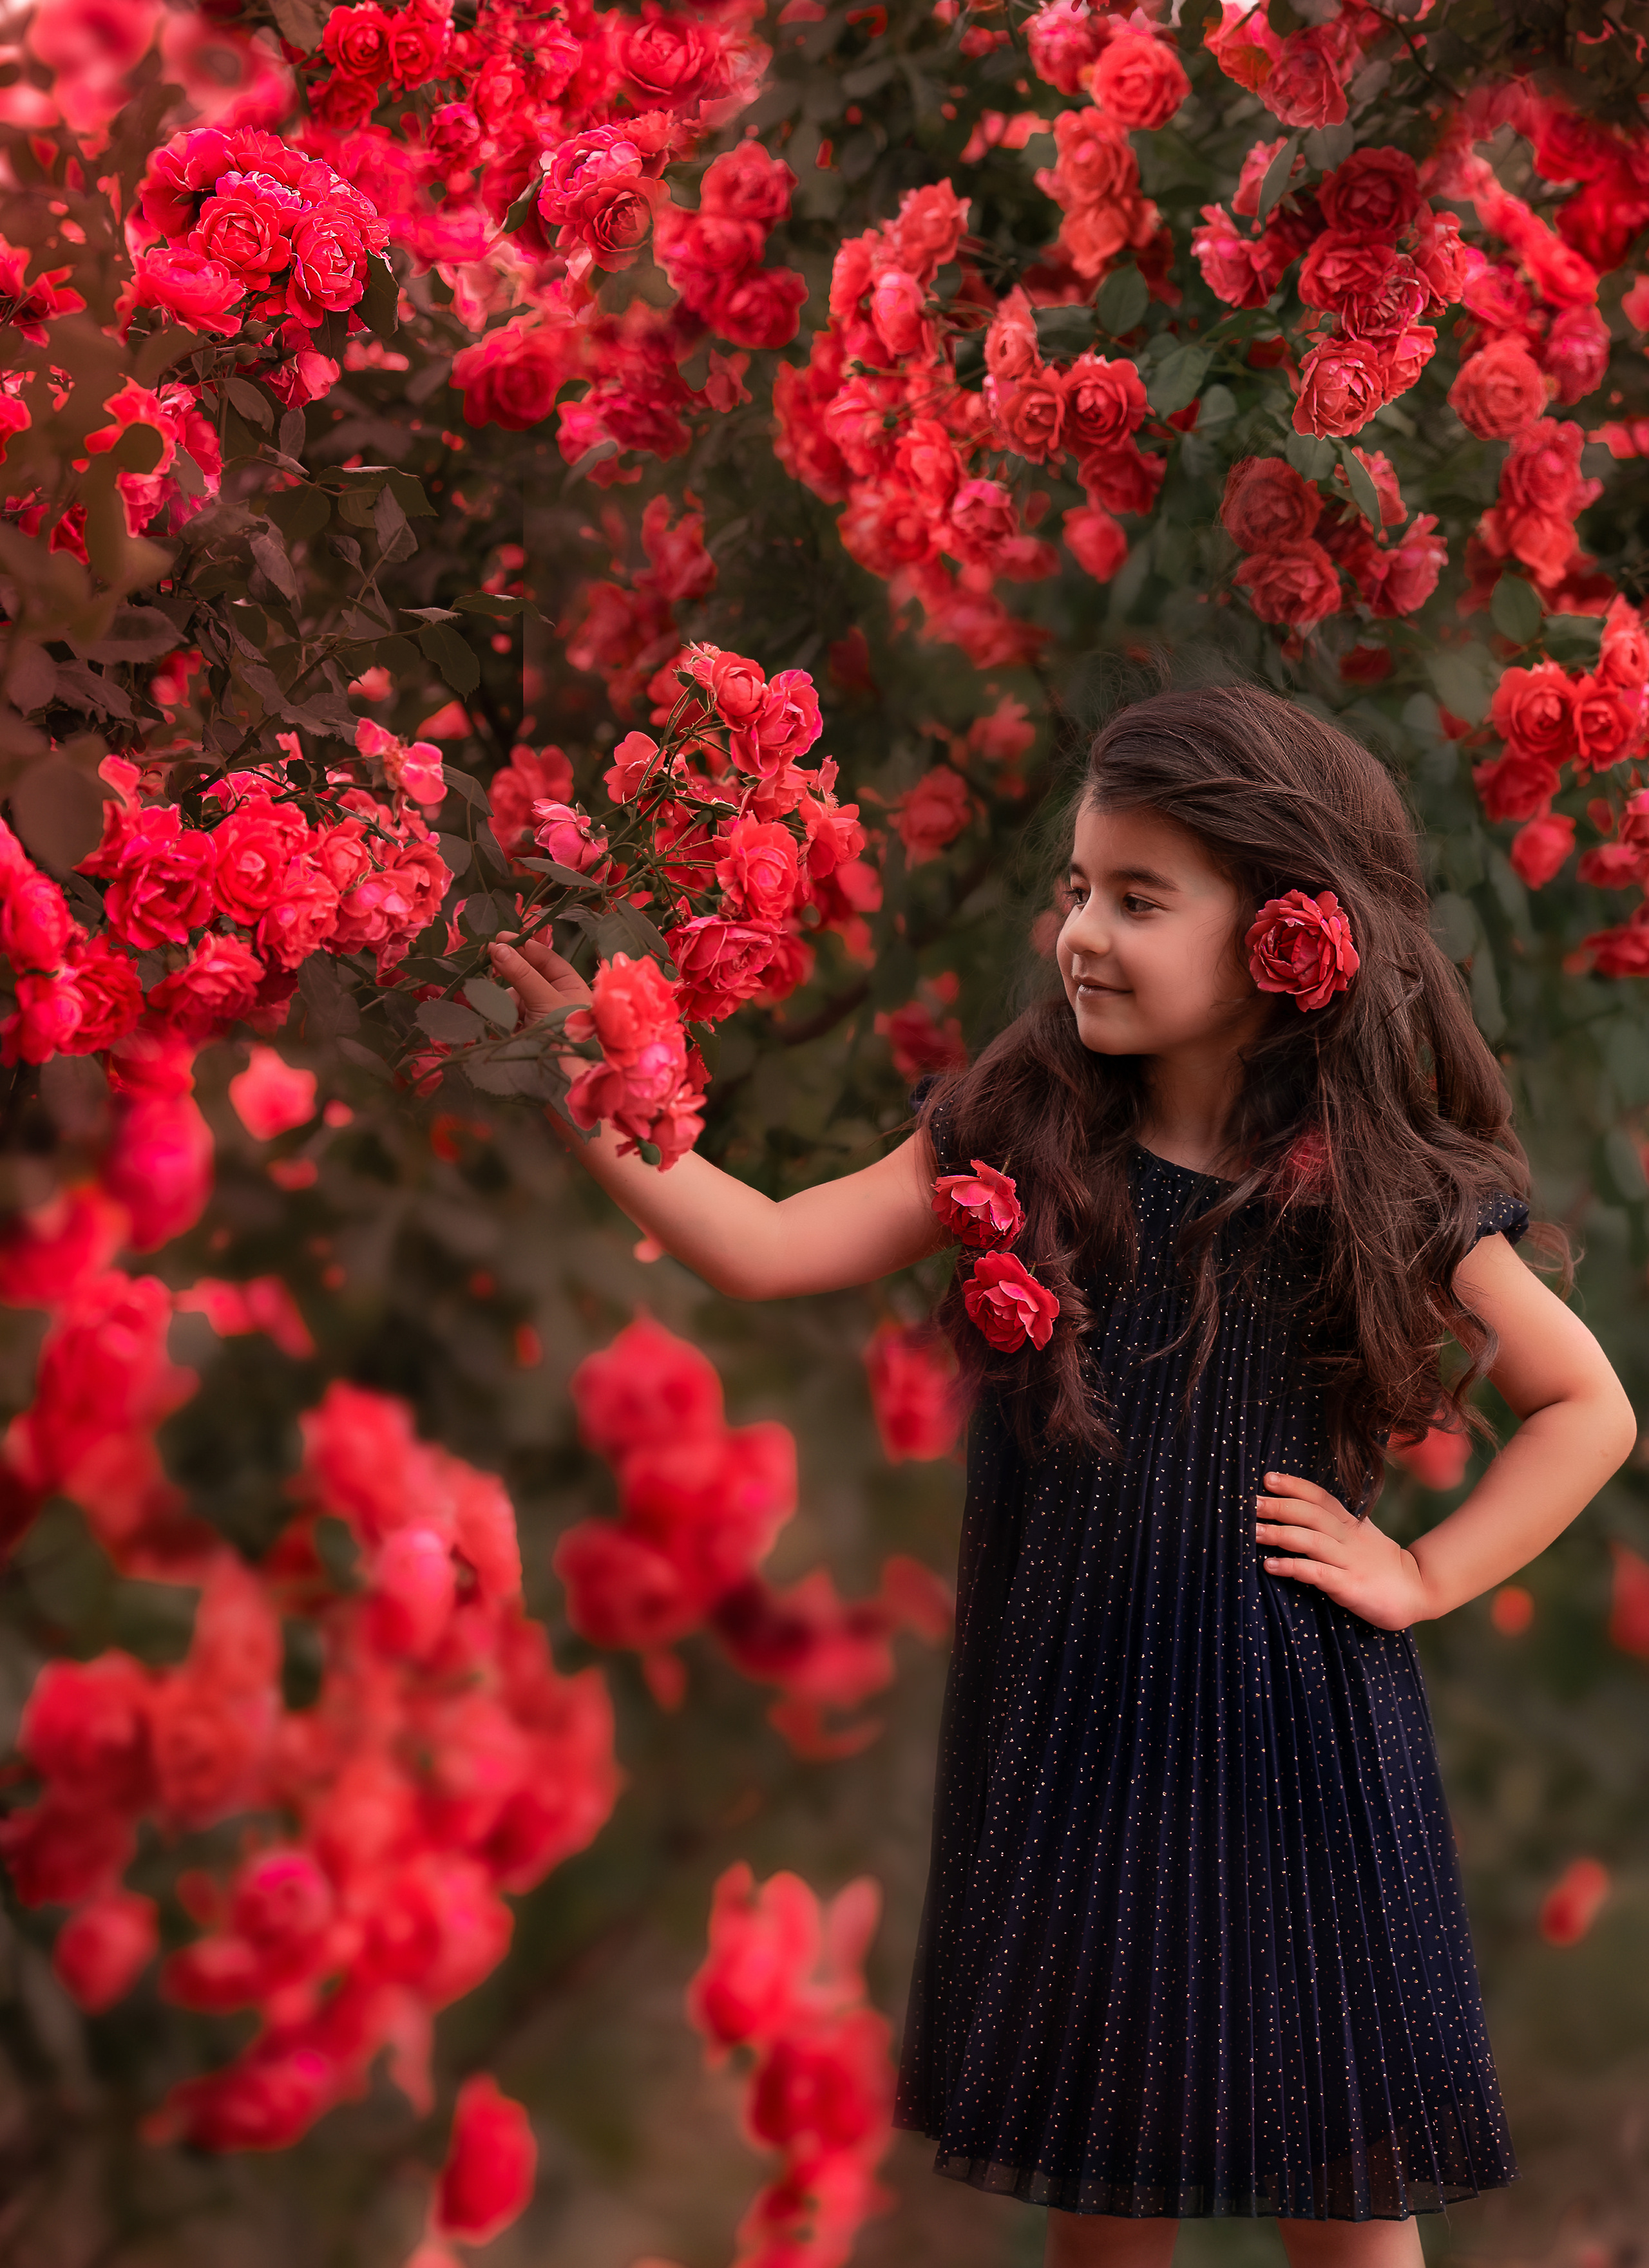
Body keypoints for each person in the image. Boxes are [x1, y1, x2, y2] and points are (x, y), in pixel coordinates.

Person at [489, 685, 1635, 2268]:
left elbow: (1586, 1404)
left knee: (1344, 2195)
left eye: (1140, 900)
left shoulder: (1372, 1185)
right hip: (1082, 1730)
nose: (1084, 933)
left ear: (1284, 934)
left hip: (1288, 1729)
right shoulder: (1018, 1133)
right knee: (1103, 2184)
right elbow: (761, 1246)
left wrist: (1422, 1574)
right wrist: (587, 1088)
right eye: (1079, 891)